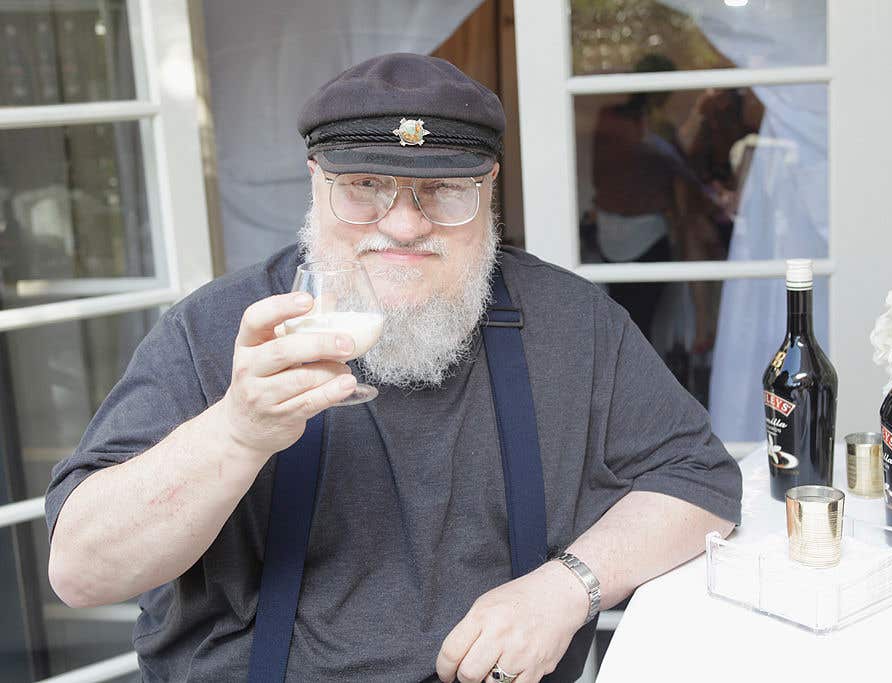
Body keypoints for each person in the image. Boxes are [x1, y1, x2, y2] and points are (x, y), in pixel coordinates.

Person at [45, 53, 741, 683]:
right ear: (316, 182)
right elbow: (80, 569)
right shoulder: (218, 329)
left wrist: (569, 585)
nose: (404, 224)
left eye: (442, 190)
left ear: (489, 188)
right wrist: (235, 433)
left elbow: (702, 482)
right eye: (365, 186)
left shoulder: (574, 323)